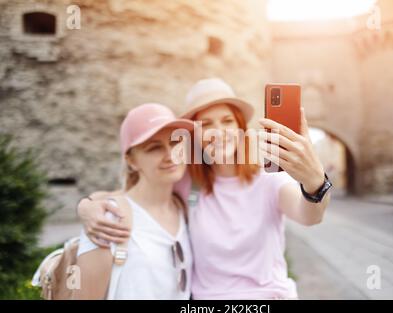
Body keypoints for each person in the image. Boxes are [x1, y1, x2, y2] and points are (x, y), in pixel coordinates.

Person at [77, 78, 332, 299]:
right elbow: (134, 193)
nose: (219, 132)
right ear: (193, 134)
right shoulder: (186, 180)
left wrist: (314, 182)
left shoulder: (268, 180)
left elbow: (310, 215)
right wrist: (88, 205)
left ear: (240, 128)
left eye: (227, 121)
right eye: (206, 124)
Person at [74, 103, 194, 299]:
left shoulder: (185, 209)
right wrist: (86, 205)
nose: (170, 154)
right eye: (154, 148)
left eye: (175, 142)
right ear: (132, 161)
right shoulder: (109, 218)